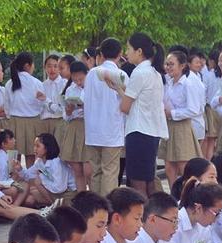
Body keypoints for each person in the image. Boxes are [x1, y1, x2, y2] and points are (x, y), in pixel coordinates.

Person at [108, 32, 168, 197]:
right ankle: (150, 219)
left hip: (139, 132)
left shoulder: (139, 73)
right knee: (149, 182)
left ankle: (140, 220)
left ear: (139, 51)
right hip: (151, 132)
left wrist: (119, 91)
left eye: (129, 48)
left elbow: (125, 107)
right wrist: (118, 89)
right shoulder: (154, 72)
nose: (126, 53)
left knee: (138, 184)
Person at [83, 38, 128, 197]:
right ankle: (107, 207)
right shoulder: (121, 75)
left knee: (96, 172)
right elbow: (126, 101)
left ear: (100, 54)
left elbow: (85, 99)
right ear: (120, 54)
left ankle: (96, 207)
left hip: (92, 131)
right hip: (111, 131)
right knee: (110, 172)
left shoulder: (91, 74)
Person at [162, 50, 203, 186]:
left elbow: (194, 109)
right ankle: (174, 197)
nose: (168, 67)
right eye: (167, 64)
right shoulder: (168, 82)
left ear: (182, 66)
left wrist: (172, 113)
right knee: (169, 167)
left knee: (183, 166)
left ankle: (187, 196)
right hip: (169, 127)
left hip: (182, 127)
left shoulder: (188, 84)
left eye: (172, 64)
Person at [3, 52, 46, 165]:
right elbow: (41, 104)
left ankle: (12, 180)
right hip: (33, 122)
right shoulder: (36, 83)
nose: (33, 67)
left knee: (13, 155)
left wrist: (9, 116)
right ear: (27, 65)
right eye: (33, 64)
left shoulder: (9, 83)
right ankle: (31, 180)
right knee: (32, 155)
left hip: (14, 122)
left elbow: (6, 106)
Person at [12, 133, 76, 208]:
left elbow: (59, 188)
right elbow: (27, 176)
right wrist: (20, 169)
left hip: (68, 194)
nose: (34, 149)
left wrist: (42, 179)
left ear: (47, 148)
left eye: (38, 146)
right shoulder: (39, 162)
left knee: (37, 182)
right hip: (55, 193)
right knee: (29, 198)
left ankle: (55, 207)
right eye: (34, 146)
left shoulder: (57, 163)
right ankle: (53, 205)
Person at [60, 61, 91, 191]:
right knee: (77, 169)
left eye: (80, 78)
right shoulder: (70, 89)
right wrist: (68, 110)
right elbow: (65, 116)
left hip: (88, 126)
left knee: (89, 170)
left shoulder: (92, 86)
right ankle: (82, 198)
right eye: (75, 78)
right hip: (74, 125)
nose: (78, 82)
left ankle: (94, 199)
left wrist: (85, 106)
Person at [201, 49, 222, 160]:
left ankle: (207, 162)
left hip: (210, 110)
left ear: (212, 61)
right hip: (221, 110)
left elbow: (203, 92)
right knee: (217, 140)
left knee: (209, 140)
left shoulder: (208, 75)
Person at [40, 55, 67, 137]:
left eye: (55, 66)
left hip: (60, 121)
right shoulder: (41, 85)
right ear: (44, 68)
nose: (52, 70)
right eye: (49, 66)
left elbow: (62, 108)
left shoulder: (64, 84)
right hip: (44, 122)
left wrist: (46, 100)